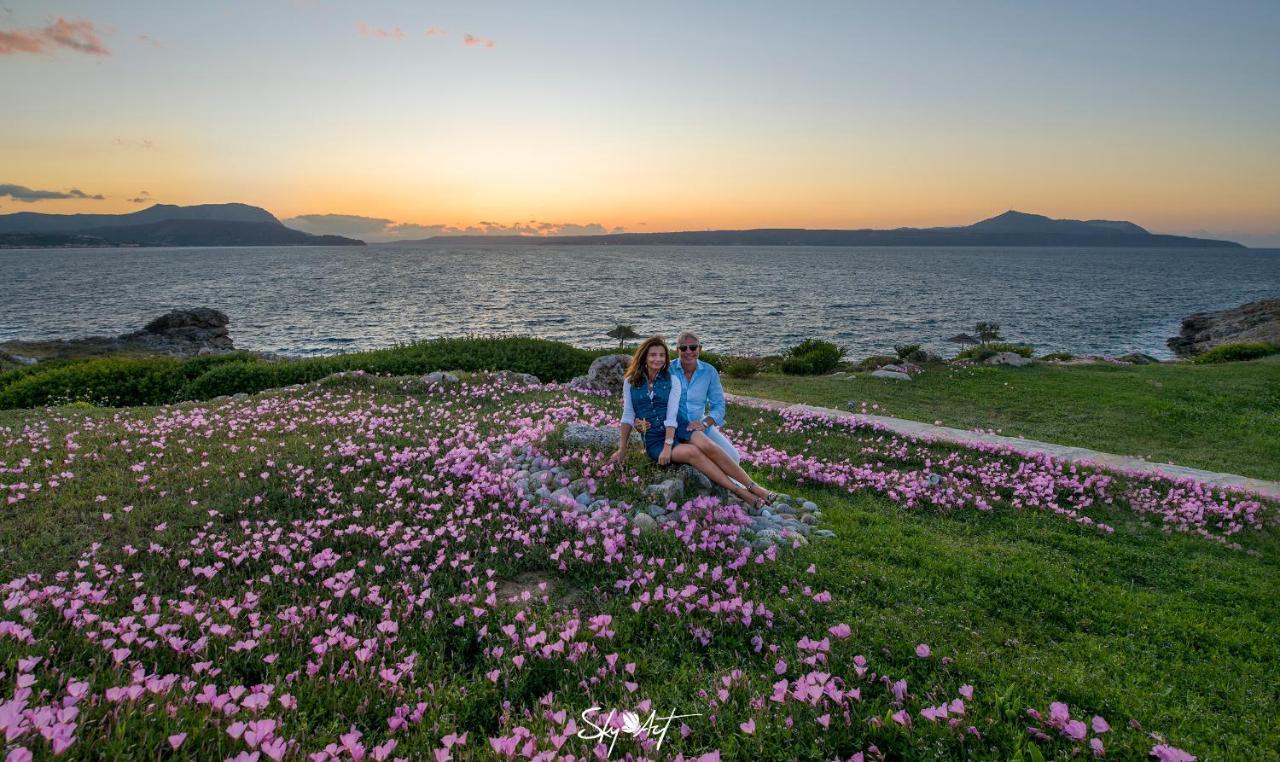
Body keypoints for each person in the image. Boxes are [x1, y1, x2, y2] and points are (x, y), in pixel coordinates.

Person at [607, 335, 776, 507]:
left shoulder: (673, 379)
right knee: (693, 453)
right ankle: (740, 492)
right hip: (654, 438)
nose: (657, 359)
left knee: (708, 445)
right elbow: (627, 416)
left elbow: (672, 416)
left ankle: (754, 488)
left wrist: (670, 445)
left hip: (679, 425)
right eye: (653, 355)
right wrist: (622, 449)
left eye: (661, 355)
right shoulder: (630, 382)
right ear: (644, 357)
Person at [669, 331, 739, 463]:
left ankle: (730, 484)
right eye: (683, 348)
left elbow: (718, 405)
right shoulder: (668, 369)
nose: (688, 351)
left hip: (700, 424)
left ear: (700, 349)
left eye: (693, 347)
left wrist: (704, 424)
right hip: (674, 426)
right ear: (677, 350)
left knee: (733, 457)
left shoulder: (709, 372)